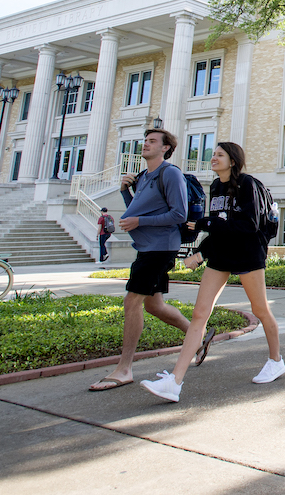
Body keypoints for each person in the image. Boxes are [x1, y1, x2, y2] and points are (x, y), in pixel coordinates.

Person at [141, 141, 285, 402]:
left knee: (260, 310)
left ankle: (276, 361)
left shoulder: (247, 184)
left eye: (219, 155)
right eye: (213, 155)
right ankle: (174, 382)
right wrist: (202, 252)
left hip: (247, 255)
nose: (213, 158)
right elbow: (219, 226)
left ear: (233, 160)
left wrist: (208, 223)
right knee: (199, 314)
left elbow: (249, 225)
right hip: (221, 256)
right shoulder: (216, 186)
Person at [89, 128, 193, 392]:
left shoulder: (170, 174)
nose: (145, 144)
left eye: (152, 141)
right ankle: (198, 336)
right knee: (154, 306)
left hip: (161, 248)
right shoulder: (144, 177)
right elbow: (137, 210)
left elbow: (179, 214)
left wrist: (140, 221)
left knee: (131, 300)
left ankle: (124, 369)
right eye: (145, 141)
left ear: (166, 148)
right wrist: (126, 192)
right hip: (147, 247)